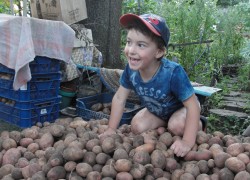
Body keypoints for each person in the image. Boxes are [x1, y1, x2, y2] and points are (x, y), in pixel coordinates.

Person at [100, 13, 203, 157]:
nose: (131, 50)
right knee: (137, 126)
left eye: (141, 45)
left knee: (177, 126)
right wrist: (111, 129)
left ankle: (196, 126)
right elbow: (119, 98)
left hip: (182, 110)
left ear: (159, 51)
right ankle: (166, 129)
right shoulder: (131, 70)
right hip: (159, 112)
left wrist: (187, 141)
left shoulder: (173, 73)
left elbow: (192, 105)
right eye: (129, 42)